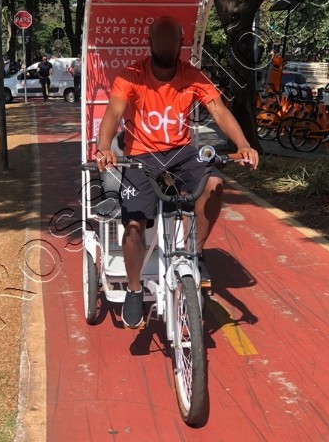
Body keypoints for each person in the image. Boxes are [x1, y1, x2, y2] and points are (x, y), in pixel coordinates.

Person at [96, 16, 259, 328]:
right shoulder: (132, 75)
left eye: (172, 41)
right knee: (134, 225)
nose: (166, 46)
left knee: (214, 183)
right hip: (141, 154)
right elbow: (113, 112)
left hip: (180, 152)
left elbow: (219, 112)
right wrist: (104, 147)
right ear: (150, 43)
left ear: (180, 44)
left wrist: (243, 144)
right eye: (161, 40)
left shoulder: (192, 75)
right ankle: (134, 288)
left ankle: (194, 253)